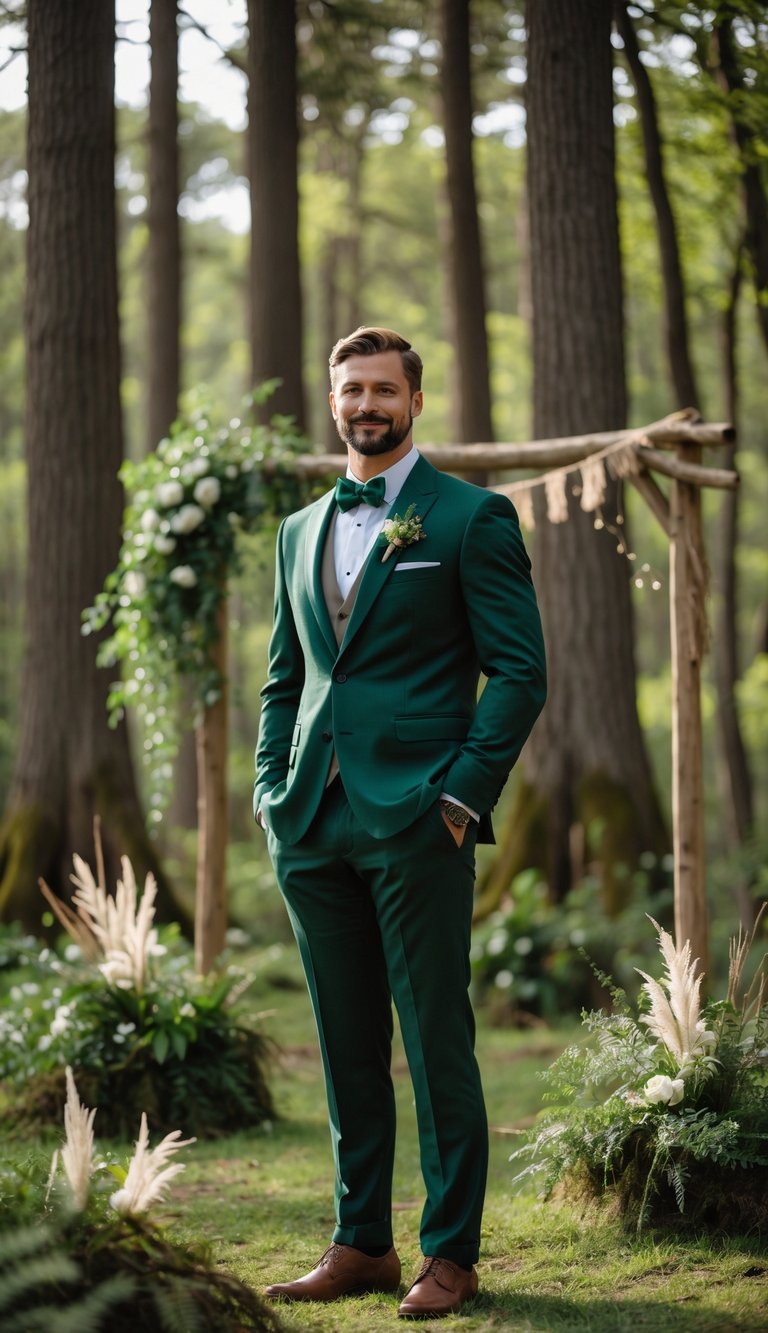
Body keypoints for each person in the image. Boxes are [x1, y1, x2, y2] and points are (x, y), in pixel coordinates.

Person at [254, 326, 546, 1320]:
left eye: (383, 388)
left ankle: (450, 1254)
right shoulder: (297, 531)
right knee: (343, 1041)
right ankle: (360, 1242)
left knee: (434, 1037)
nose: (365, 404)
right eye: (350, 389)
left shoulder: (470, 518)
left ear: (415, 402)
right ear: (331, 401)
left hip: (422, 819)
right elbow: (286, 677)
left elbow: (520, 672)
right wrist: (270, 788)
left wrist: (461, 797)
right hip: (313, 822)